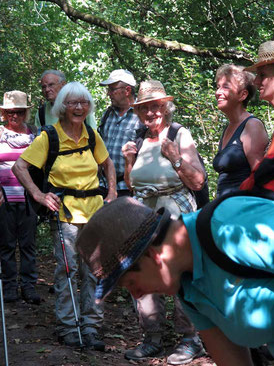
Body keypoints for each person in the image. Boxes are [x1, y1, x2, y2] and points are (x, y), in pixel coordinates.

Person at [77, 195, 274, 366]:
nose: (137, 295)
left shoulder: (229, 226)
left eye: (131, 284)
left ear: (153, 257)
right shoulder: (188, 287)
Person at [12, 82, 117, 350]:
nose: (78, 108)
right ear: (62, 107)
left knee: (94, 270)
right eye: (72, 103)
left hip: (94, 213)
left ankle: (91, 327)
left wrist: (112, 191)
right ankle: (68, 327)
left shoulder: (92, 135)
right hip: (65, 214)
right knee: (67, 270)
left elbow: (107, 163)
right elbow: (20, 166)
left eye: (83, 103)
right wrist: (38, 194)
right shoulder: (49, 136)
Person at [121, 80, 206, 364]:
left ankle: (190, 340)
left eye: (156, 106)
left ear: (165, 108)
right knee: (145, 273)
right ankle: (152, 339)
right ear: (139, 111)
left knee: (180, 275)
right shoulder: (139, 138)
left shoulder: (180, 134)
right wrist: (129, 162)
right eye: (145, 107)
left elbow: (197, 181)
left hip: (177, 214)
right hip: (146, 215)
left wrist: (175, 158)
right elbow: (132, 185)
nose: (151, 112)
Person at [0, 91, 40, 304]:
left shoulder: (35, 135)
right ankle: (9, 286)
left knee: (28, 244)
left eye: (18, 112)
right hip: (3, 198)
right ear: (4, 113)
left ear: (25, 113)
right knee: (6, 245)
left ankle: (29, 287)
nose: (14, 116)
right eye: (9, 112)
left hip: (28, 199)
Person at [213, 65, 269, 197]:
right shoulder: (228, 127)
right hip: (225, 206)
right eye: (217, 87)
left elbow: (260, 176)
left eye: (225, 87)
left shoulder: (252, 126)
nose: (218, 92)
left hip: (243, 207)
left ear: (243, 95)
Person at [98, 69, 141, 197]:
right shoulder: (108, 114)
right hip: (103, 185)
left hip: (127, 187)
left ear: (127, 90)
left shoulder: (142, 115)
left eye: (112, 90)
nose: (108, 94)